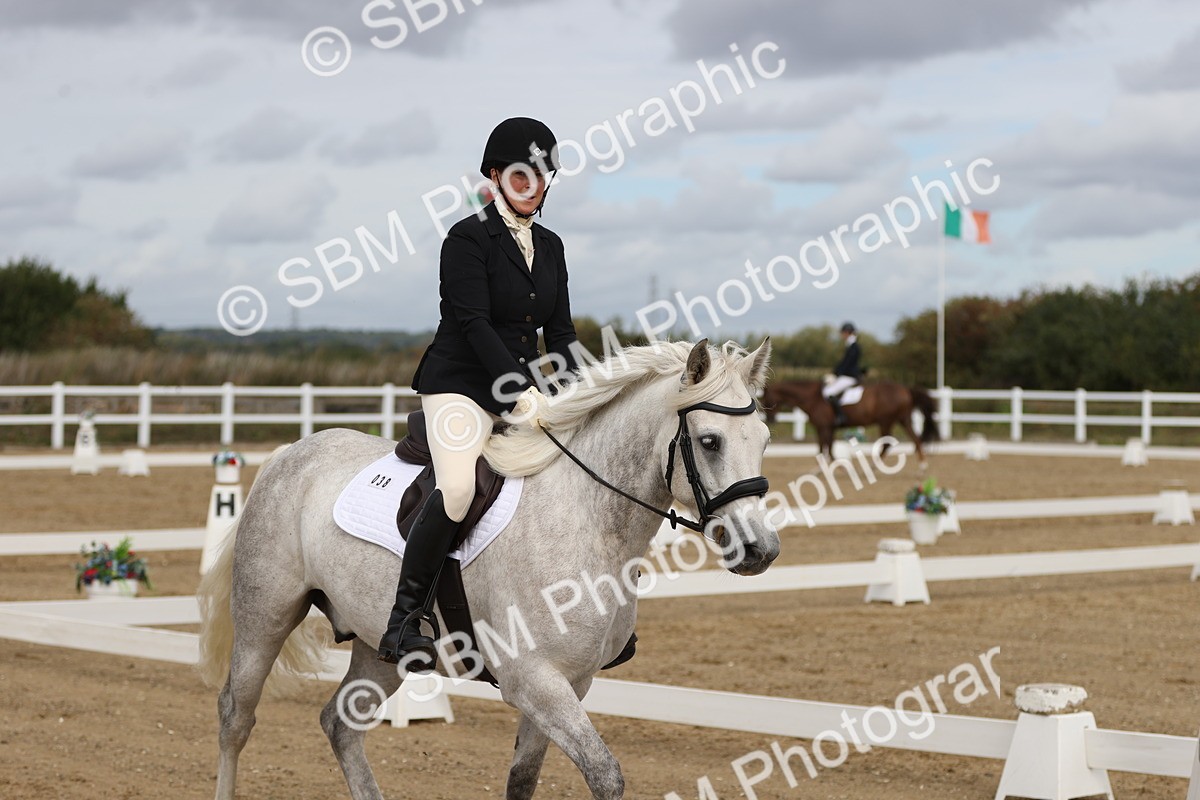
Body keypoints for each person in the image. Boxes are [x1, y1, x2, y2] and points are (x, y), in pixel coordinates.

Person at [378, 117, 580, 668]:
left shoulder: (554, 246)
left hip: (521, 391)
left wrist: (577, 394)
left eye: (542, 176)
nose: (533, 186)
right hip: (458, 388)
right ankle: (404, 621)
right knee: (461, 489)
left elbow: (558, 333)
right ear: (496, 176)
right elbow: (474, 325)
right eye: (522, 175)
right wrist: (520, 392)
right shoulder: (466, 239)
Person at [823, 322, 862, 427]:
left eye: (842, 333)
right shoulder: (850, 345)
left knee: (828, 392)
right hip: (846, 375)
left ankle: (840, 416)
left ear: (847, 333)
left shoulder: (854, 347)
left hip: (849, 377)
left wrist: (836, 375)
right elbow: (843, 363)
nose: (841, 336)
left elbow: (847, 363)